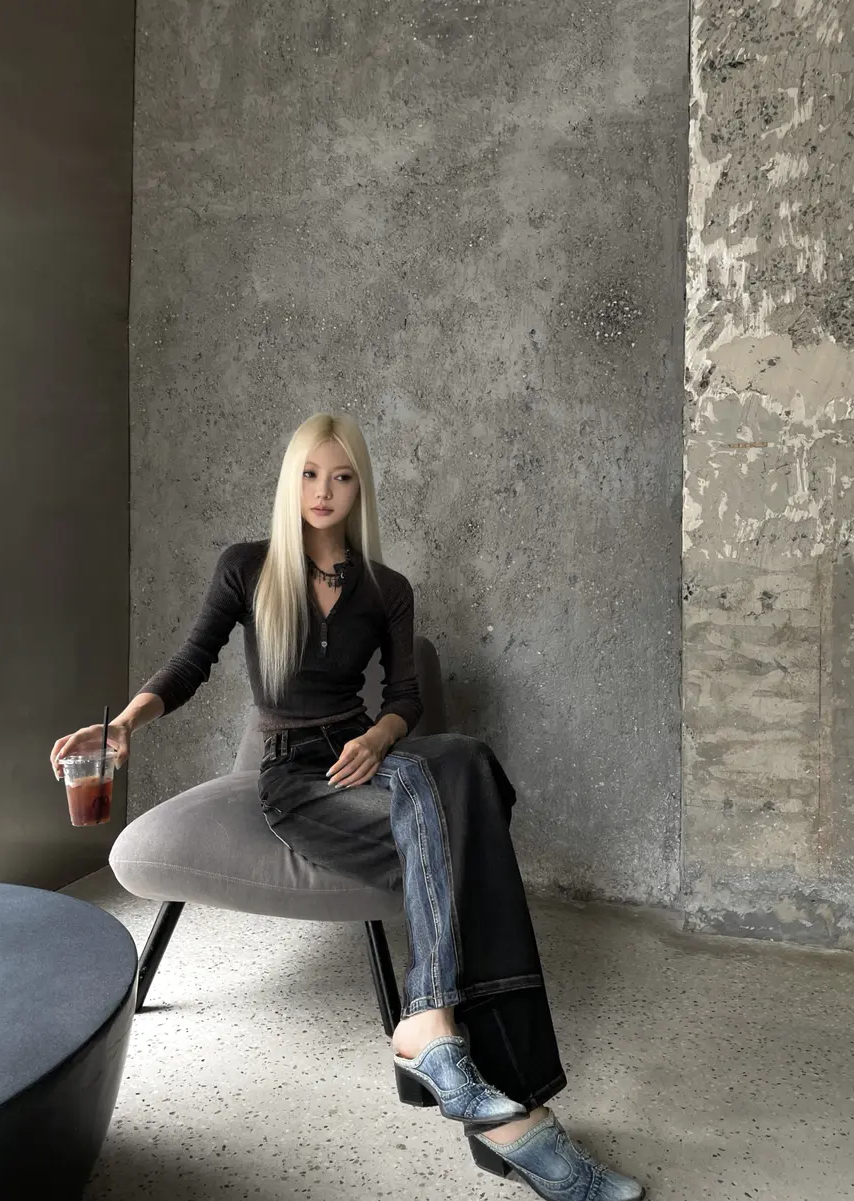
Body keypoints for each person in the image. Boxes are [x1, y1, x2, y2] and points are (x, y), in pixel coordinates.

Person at [50, 414, 645, 1201]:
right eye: (309, 473)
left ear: (360, 486)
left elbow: (404, 697)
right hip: (297, 778)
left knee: (465, 761)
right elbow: (191, 662)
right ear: (289, 480)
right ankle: (517, 1118)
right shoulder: (248, 568)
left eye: (340, 476)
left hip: (371, 756)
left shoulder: (386, 588)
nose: (323, 490)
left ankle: (436, 1033)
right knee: (466, 833)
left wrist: (378, 736)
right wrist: (124, 722)